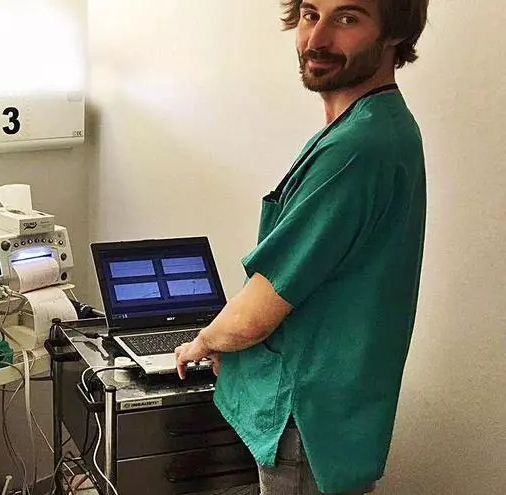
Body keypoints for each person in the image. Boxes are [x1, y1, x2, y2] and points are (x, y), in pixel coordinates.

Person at [174, 0, 428, 493]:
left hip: (307, 421)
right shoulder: (376, 127)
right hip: (335, 415)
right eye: (311, 14)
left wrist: (204, 341)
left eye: (347, 19)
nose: (317, 39)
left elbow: (256, 313)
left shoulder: (357, 148)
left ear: (395, 32)